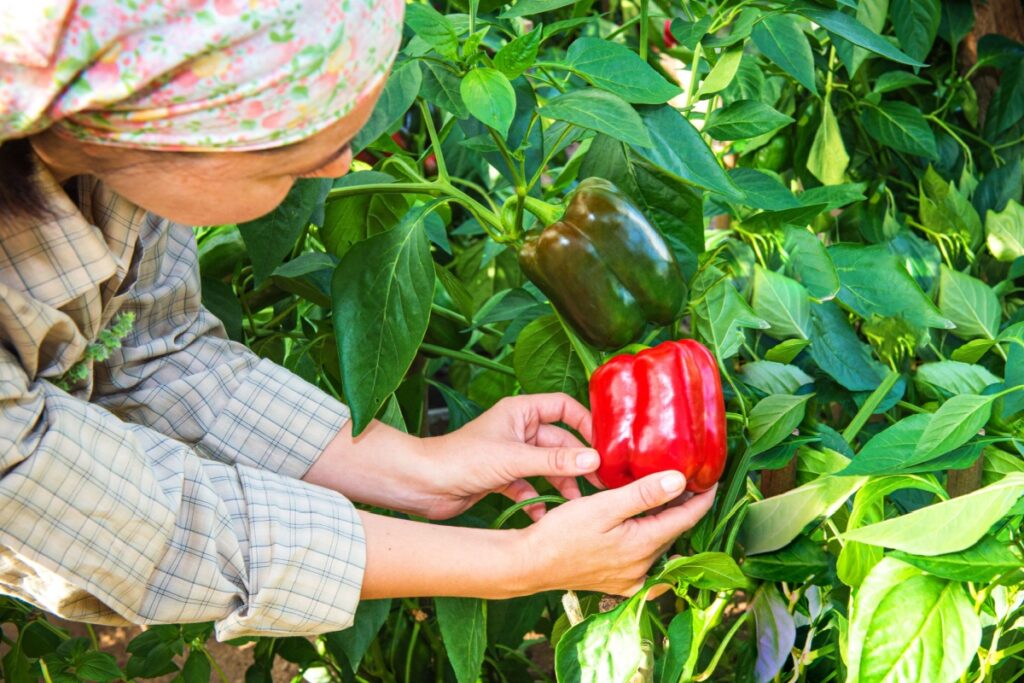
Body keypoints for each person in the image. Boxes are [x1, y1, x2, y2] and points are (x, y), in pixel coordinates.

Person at [0, 0, 716, 641]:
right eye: (287, 165)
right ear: (151, 135)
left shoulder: (119, 158)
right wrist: (515, 563)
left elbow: (156, 350)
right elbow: (115, 520)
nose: (343, 169)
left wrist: (420, 468)